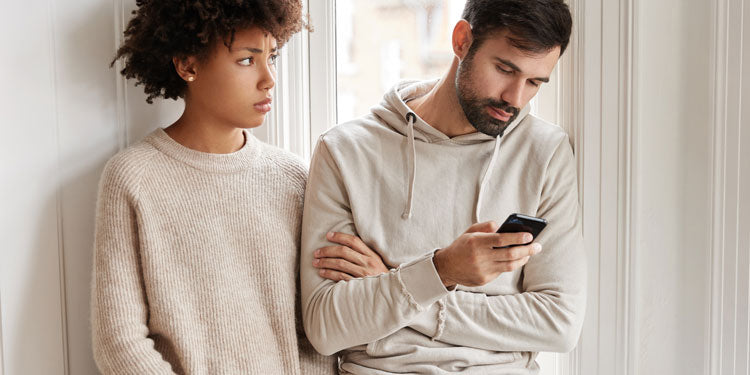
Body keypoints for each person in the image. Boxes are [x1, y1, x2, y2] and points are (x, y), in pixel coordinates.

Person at [300, 0, 586, 373]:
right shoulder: (345, 150)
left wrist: (406, 283)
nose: (515, 98)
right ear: (462, 40)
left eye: (534, 82)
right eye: (504, 69)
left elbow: (559, 323)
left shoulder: (545, 153)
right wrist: (441, 270)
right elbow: (325, 327)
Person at [91, 1, 335, 373]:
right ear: (188, 64)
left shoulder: (293, 178)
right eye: (246, 60)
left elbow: (318, 330)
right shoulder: (133, 177)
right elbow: (118, 342)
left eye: (272, 57)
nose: (268, 79)